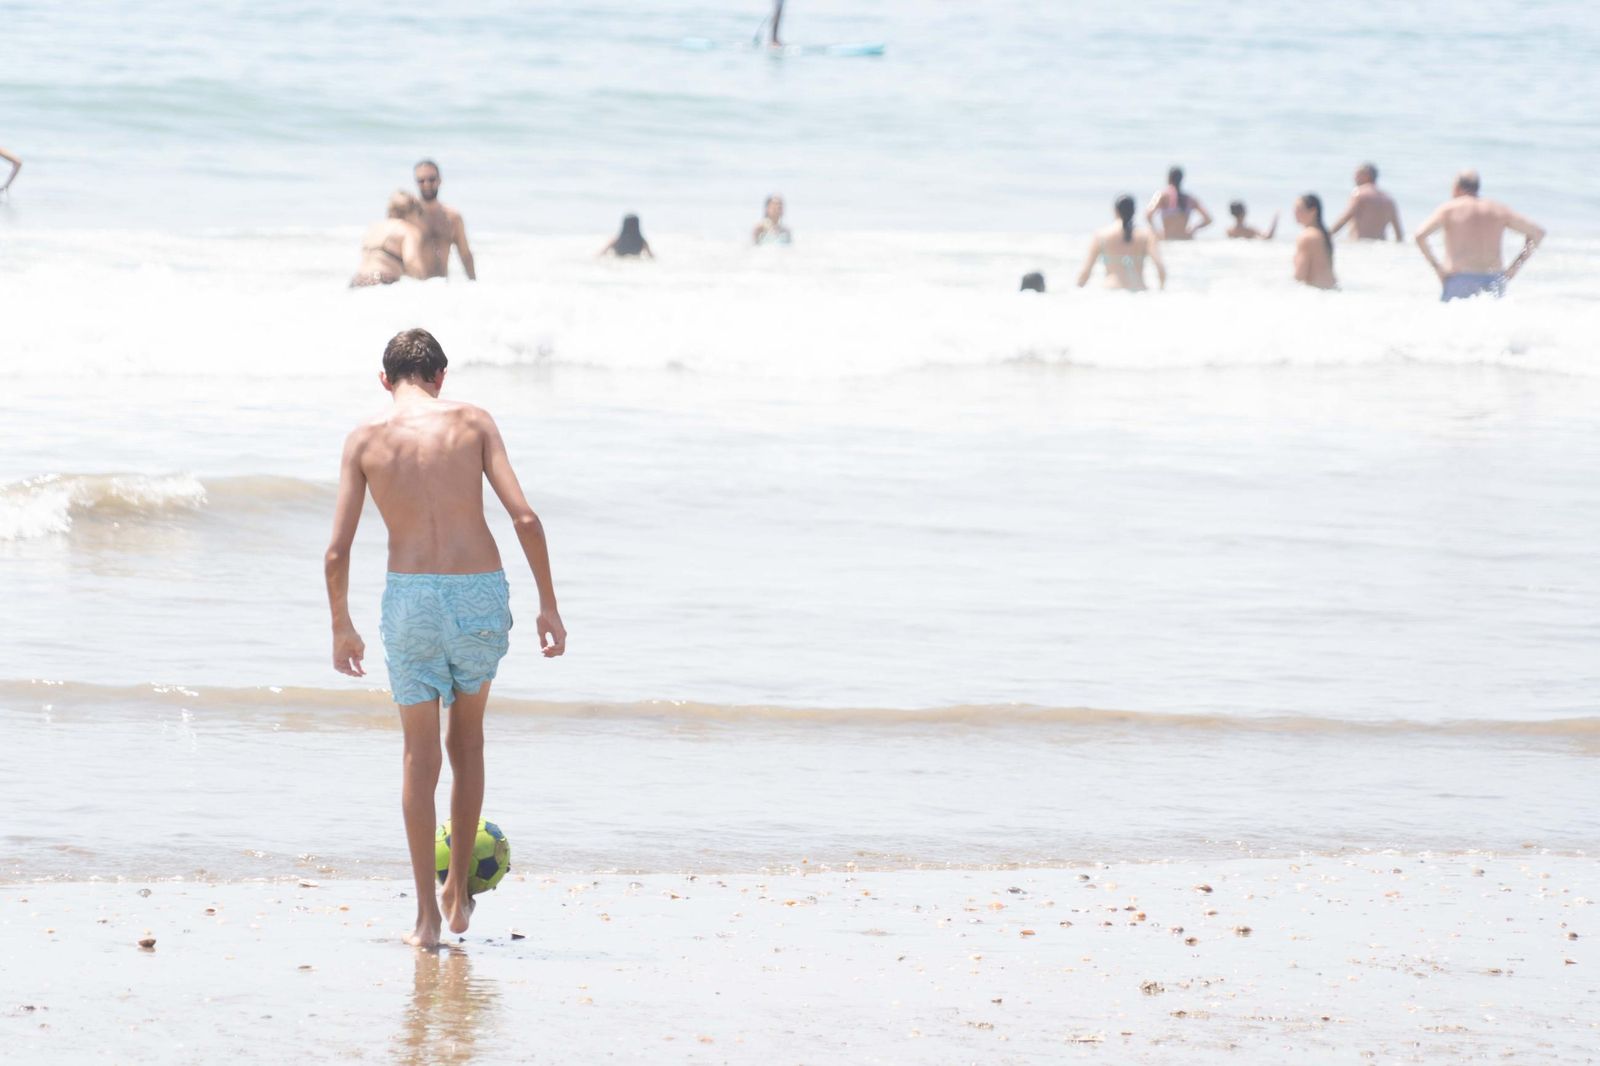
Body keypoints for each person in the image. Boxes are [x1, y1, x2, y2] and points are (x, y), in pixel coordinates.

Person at [324, 328, 566, 948]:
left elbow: (336, 550)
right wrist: (549, 606)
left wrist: (341, 626)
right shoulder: (474, 422)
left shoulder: (365, 440)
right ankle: (458, 892)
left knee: (418, 756)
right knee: (469, 744)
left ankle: (426, 920)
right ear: (441, 375)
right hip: (479, 591)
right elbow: (525, 518)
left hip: (410, 598)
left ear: (385, 380)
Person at [1414, 170, 1545, 302]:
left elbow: (1420, 235)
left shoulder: (1449, 209)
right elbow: (1537, 233)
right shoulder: (1498, 209)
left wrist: (1438, 269)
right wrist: (1513, 270)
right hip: (1494, 280)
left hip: (1459, 279)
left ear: (1456, 188)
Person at [1077, 195, 1167, 291]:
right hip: (1139, 292)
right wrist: (1161, 290)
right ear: (1134, 211)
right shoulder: (1147, 236)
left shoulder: (1101, 235)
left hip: (1110, 292)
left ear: (1115, 211)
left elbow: (1085, 273)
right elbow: (1160, 268)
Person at [413, 160, 476, 280]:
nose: (426, 184)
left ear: (439, 180)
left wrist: (474, 285)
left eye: (431, 179)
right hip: (414, 287)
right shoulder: (409, 217)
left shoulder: (453, 218)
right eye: (421, 180)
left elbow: (465, 255)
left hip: (442, 288)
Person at [350, 191, 427, 288]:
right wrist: (425, 284)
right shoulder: (408, 230)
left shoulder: (374, 227)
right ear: (412, 212)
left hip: (357, 281)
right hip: (381, 281)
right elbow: (411, 261)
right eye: (419, 214)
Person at [1330, 162, 1402, 241]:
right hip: (1380, 247)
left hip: (1359, 245)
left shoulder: (1359, 194)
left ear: (1367, 176)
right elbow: (1398, 230)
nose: (1354, 178)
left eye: (1357, 175)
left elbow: (1344, 219)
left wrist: (1327, 235)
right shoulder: (1388, 199)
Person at [1145, 166, 1211, 240]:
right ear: (1181, 180)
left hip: (1168, 238)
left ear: (1168, 179)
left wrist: (1157, 231)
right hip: (1185, 239)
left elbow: (1148, 215)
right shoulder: (1190, 199)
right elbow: (1208, 219)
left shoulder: (1163, 196)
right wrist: (1193, 229)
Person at [1292, 193, 1336, 290]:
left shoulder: (1307, 236)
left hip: (1316, 295)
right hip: (1331, 292)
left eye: (1299, 209)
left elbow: (1300, 276)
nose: (1294, 212)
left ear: (1313, 211)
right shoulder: (1323, 234)